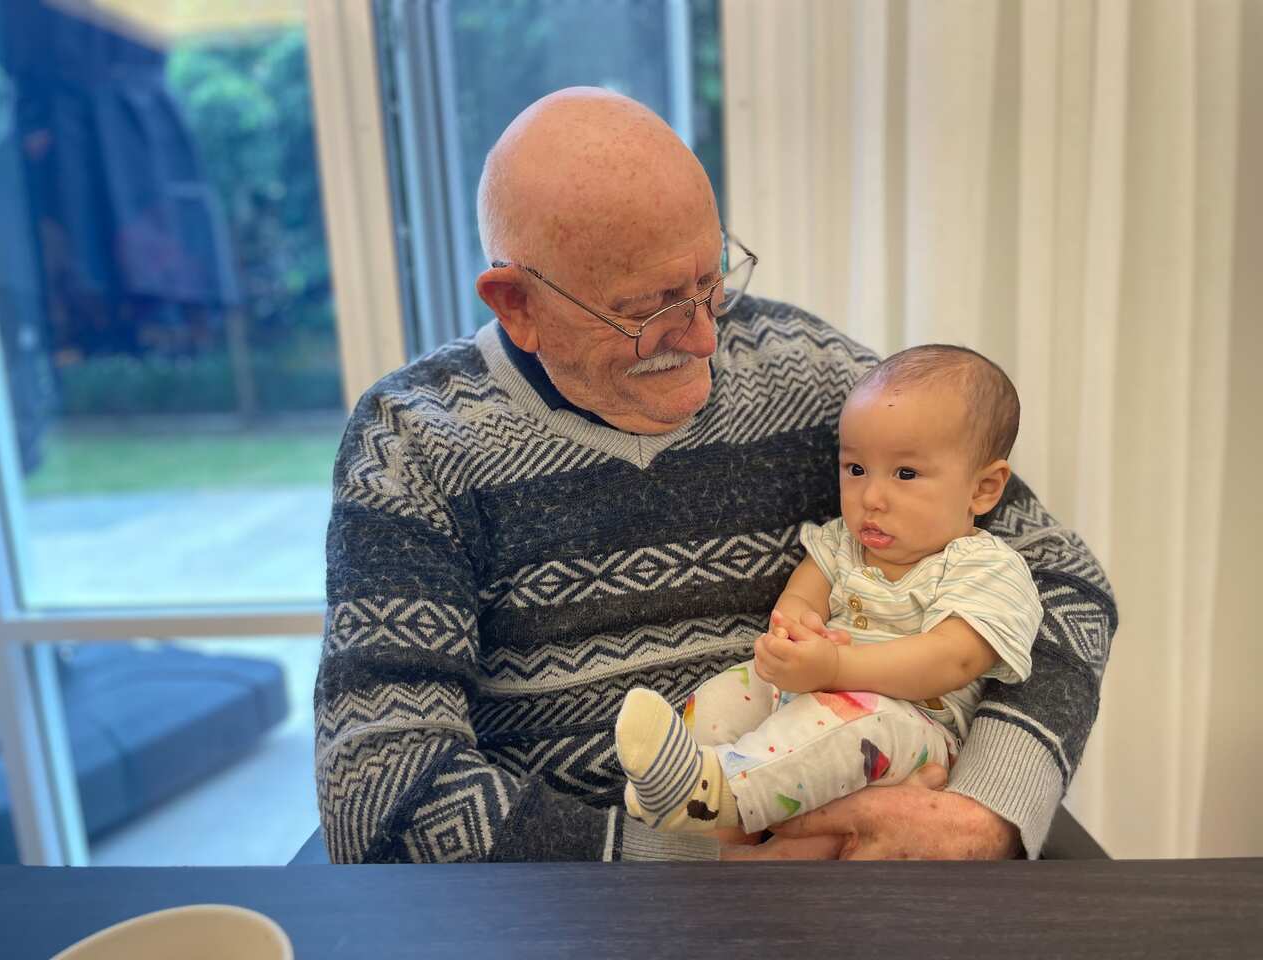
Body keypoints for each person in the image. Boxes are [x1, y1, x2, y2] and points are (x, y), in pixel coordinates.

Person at [314, 87, 1117, 864]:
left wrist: (985, 808)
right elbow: (379, 786)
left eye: (712, 281)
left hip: (880, 858)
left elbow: (1061, 578)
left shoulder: (810, 378)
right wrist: (684, 866)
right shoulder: (416, 444)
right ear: (515, 302)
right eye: (650, 308)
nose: (704, 338)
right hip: (584, 908)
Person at [615, 345, 1042, 836]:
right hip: (811, 694)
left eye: (906, 474)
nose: (871, 498)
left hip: (909, 729)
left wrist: (838, 668)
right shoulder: (841, 542)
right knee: (736, 687)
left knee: (857, 721)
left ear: (983, 489)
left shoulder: (986, 567)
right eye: (855, 469)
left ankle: (718, 796)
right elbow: (800, 598)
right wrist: (792, 631)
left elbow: (952, 660)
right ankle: (686, 785)